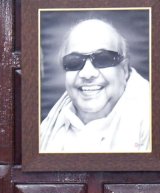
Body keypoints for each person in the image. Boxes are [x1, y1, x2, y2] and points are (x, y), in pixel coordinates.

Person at [40, 18, 151, 153]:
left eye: (103, 59)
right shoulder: (47, 127)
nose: (87, 74)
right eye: (74, 61)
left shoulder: (151, 119)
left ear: (125, 70)